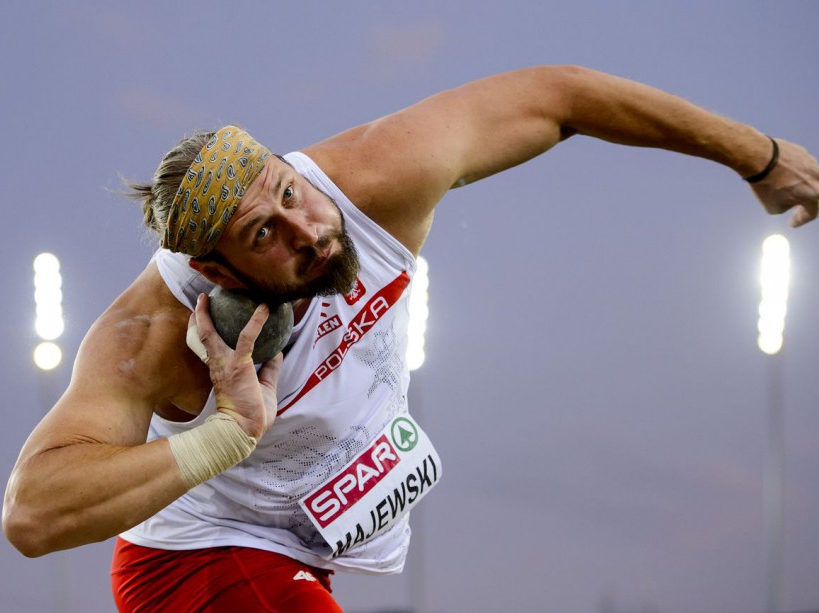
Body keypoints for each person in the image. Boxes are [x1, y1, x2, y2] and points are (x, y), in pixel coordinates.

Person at [3, 65, 818, 611]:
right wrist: (224, 435)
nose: (307, 230)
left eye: (289, 193)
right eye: (264, 235)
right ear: (217, 273)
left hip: (298, 557)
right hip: (200, 563)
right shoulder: (150, 336)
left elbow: (560, 95)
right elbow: (32, 517)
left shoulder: (372, 180)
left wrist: (760, 155)